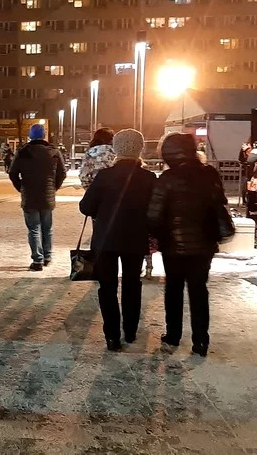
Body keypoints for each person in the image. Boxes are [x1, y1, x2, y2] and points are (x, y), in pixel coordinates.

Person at [148, 133, 228, 357]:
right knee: (199, 290)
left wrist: (155, 234)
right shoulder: (209, 174)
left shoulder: (167, 178)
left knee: (173, 289)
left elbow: (154, 214)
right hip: (204, 243)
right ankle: (201, 340)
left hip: (173, 245)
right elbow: (219, 202)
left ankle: (173, 335)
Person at [79, 129, 156, 351]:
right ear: (140, 149)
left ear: (116, 149)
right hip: (135, 240)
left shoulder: (105, 176)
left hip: (106, 240)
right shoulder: (149, 178)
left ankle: (112, 336)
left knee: (107, 287)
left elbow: (86, 207)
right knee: (132, 284)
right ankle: (130, 331)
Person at [9, 124, 67, 271]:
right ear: (44, 135)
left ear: (30, 135)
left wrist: (21, 187)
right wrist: (53, 187)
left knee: (34, 228)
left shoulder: (23, 152)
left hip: (29, 195)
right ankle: (47, 256)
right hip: (47, 195)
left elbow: (13, 173)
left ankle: (37, 260)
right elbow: (62, 173)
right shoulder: (54, 152)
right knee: (47, 227)